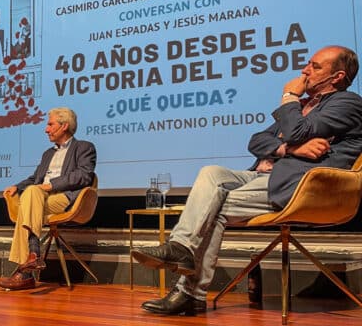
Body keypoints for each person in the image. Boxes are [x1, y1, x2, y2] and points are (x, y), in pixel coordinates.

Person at [131, 45, 362, 315]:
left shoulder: (347, 103)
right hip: (267, 174)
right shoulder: (302, 107)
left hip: (304, 186)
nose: (304, 70)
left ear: (337, 77)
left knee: (215, 208)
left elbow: (297, 130)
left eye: (315, 66)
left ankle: (189, 292)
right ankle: (181, 247)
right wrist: (288, 148)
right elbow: (256, 140)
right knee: (211, 172)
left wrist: (289, 96)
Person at [0, 107, 97, 290]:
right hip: (39, 197)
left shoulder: (84, 147)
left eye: (50, 124)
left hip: (64, 198)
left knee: (31, 196)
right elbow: (35, 179)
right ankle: (31, 260)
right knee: (31, 192)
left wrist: (51, 186)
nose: (46, 129)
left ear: (64, 126)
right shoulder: (47, 154)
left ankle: (28, 267)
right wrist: (17, 187)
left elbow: (84, 176)